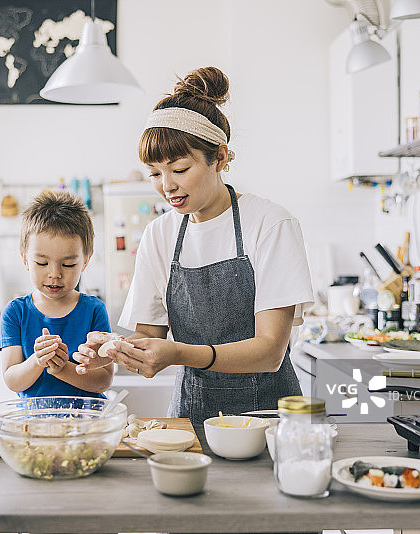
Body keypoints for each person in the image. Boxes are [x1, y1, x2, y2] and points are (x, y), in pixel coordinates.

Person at [74, 66, 314, 424]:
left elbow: (270, 352)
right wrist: (115, 350)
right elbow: (149, 338)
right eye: (155, 173)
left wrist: (177, 352)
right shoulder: (159, 234)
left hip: (269, 419)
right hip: (190, 418)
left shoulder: (269, 223)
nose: (166, 185)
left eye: (179, 169)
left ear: (219, 157)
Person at [1, 190, 115, 398]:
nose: (55, 274)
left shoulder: (93, 310)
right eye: (42, 263)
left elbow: (103, 381)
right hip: (34, 424)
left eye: (68, 264)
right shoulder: (15, 312)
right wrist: (38, 360)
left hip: (85, 424)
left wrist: (63, 368)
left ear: (86, 261)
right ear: (25, 259)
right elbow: (12, 380)